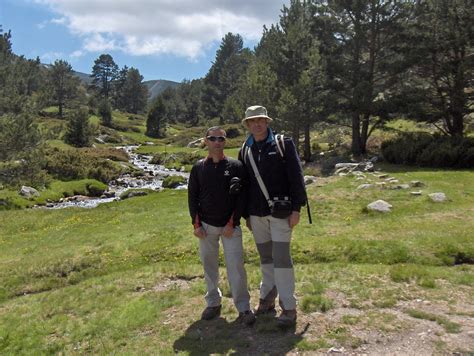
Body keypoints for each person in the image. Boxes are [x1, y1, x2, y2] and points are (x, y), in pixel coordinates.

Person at [238, 105, 307, 328]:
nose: (257, 124)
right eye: (253, 121)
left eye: (261, 120)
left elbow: (296, 176)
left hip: (281, 213)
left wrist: (297, 208)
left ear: (267, 122)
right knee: (266, 259)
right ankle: (267, 299)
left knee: (282, 260)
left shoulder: (282, 144)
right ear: (247, 125)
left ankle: (288, 307)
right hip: (256, 216)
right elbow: (245, 185)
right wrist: (245, 215)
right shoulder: (244, 150)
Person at [188, 126, 256, 326]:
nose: (217, 142)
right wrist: (196, 224)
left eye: (221, 139)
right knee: (209, 266)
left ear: (225, 142)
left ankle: (243, 308)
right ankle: (213, 303)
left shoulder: (236, 166)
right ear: (206, 141)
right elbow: (192, 197)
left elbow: (242, 198)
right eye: (212, 138)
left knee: (236, 267)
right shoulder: (198, 168)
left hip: (230, 228)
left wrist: (232, 223)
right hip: (206, 227)